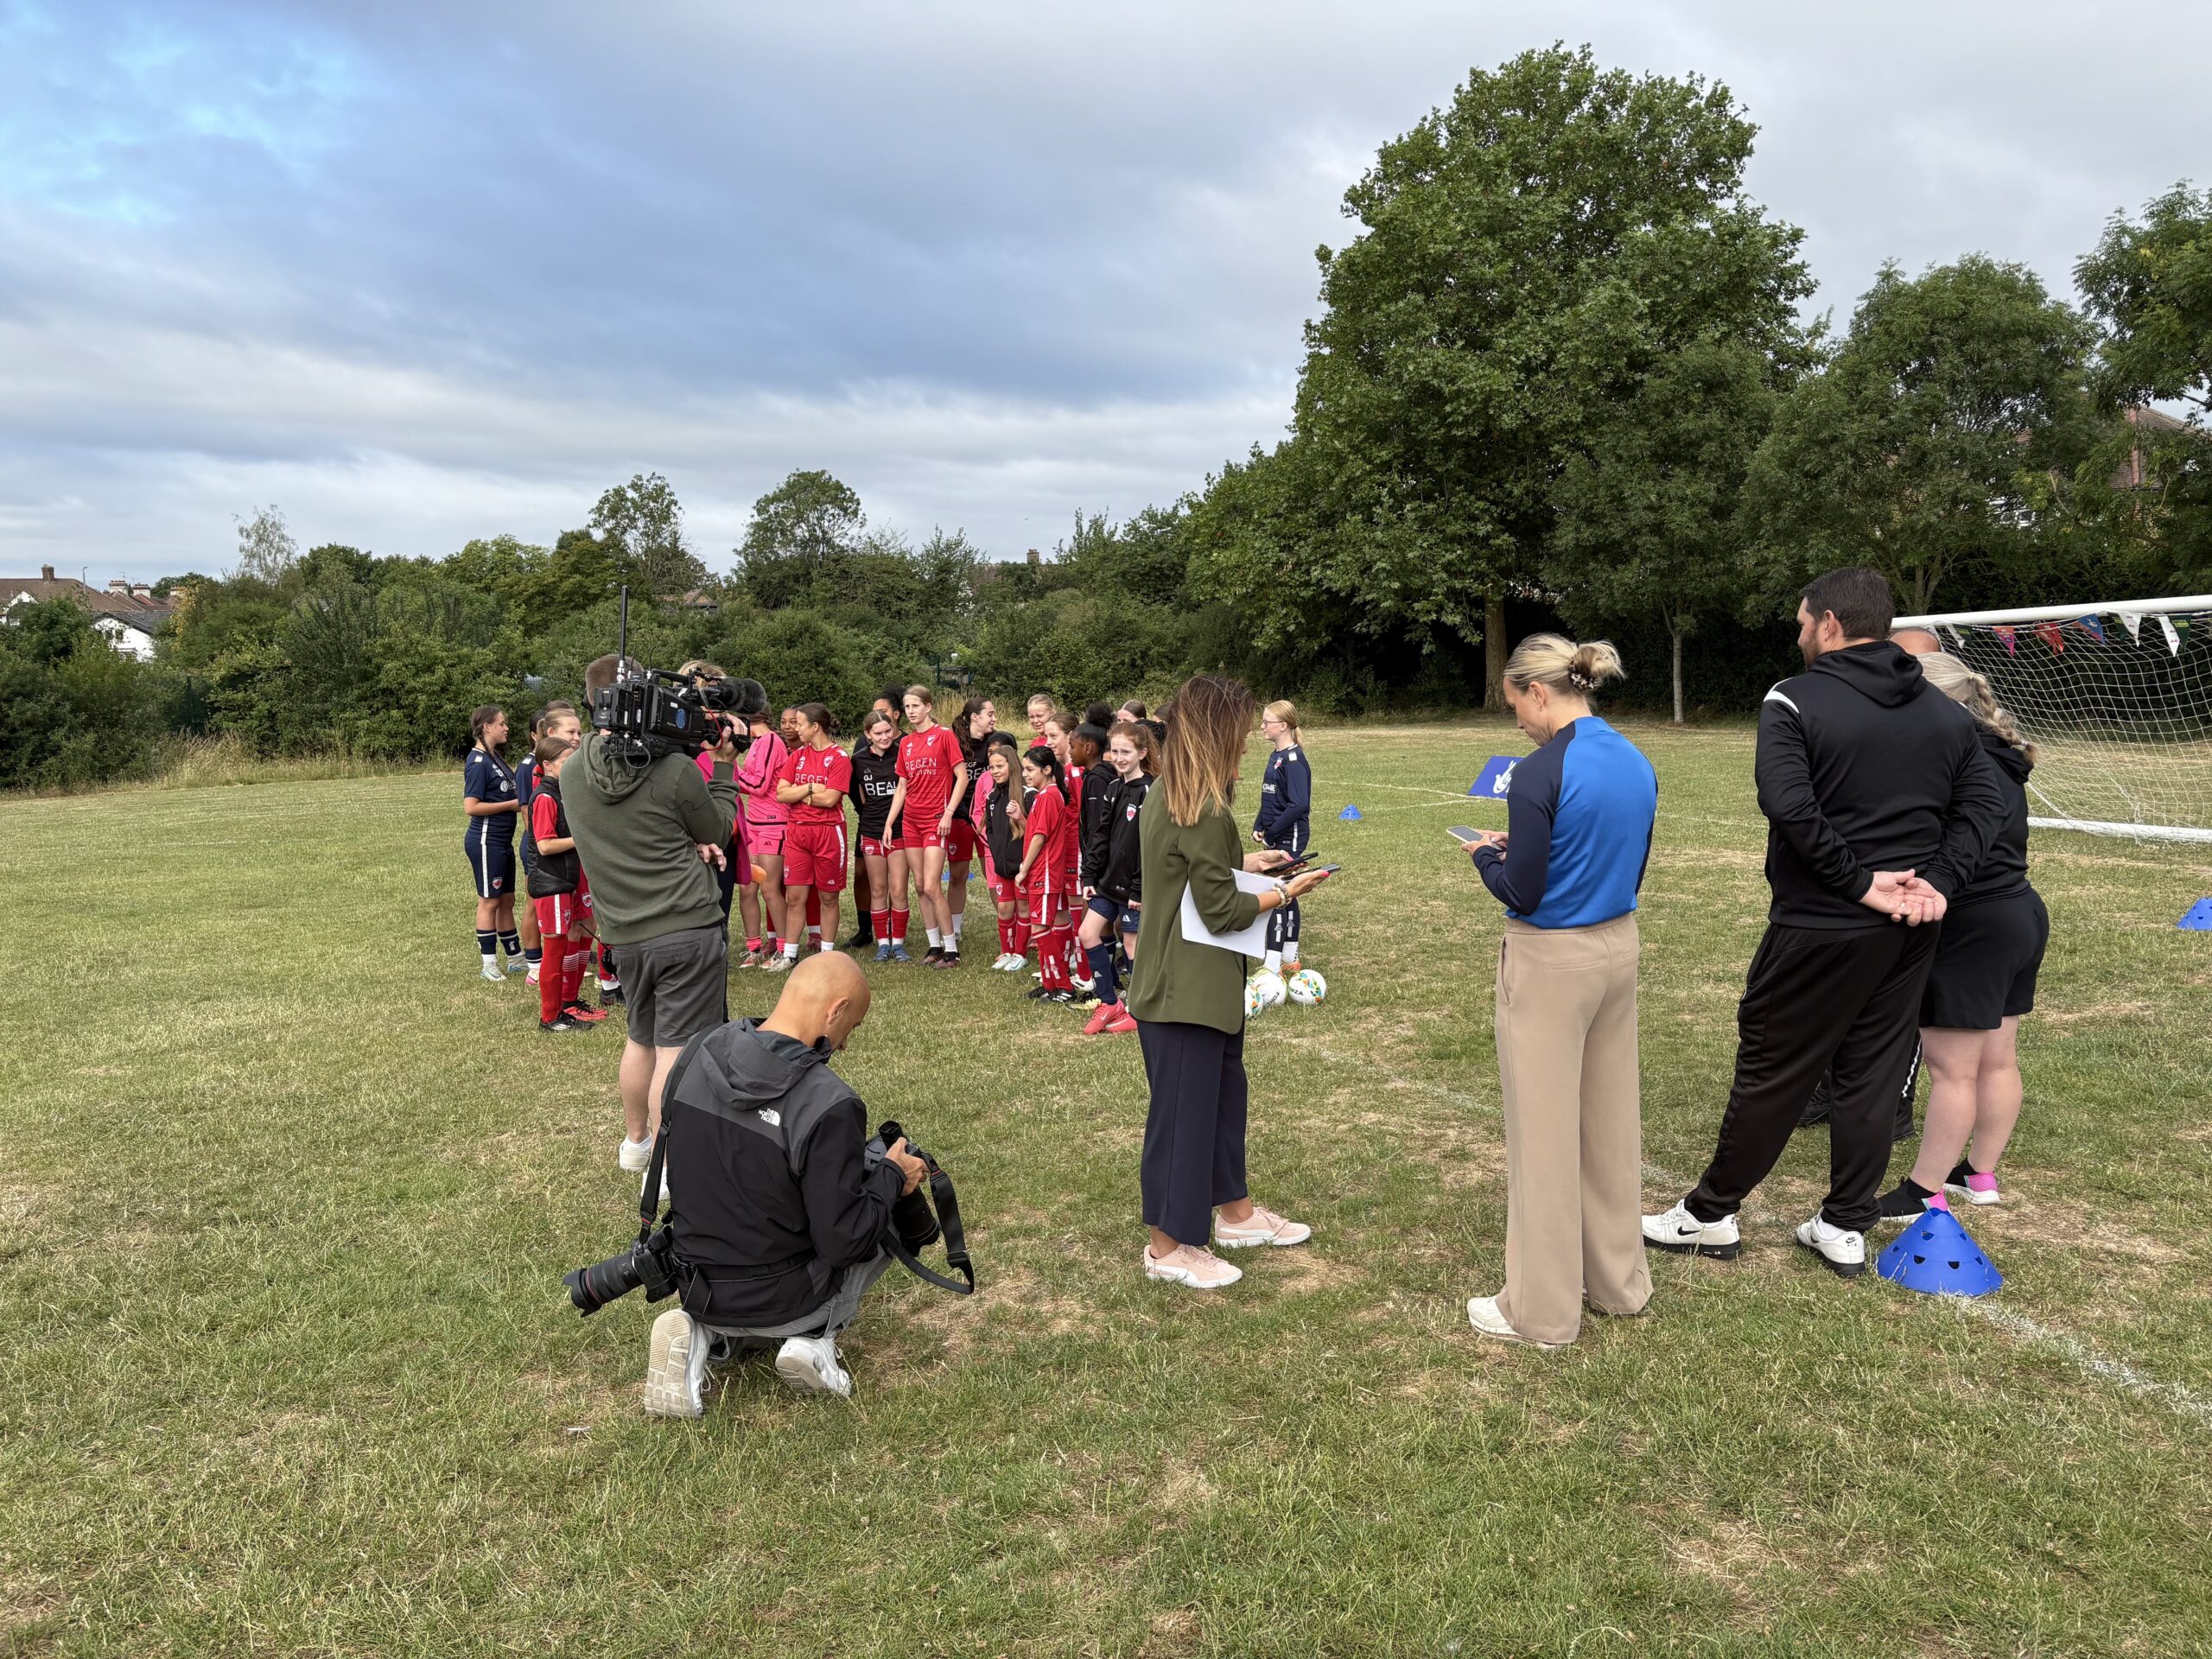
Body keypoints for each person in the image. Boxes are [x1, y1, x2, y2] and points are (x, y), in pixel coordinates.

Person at [1643, 569, 2008, 1279]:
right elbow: (1987, 807)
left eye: (1803, 622)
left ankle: (1712, 1214)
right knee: (1871, 1073)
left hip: (1822, 924)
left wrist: (1888, 882)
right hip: (1904, 925)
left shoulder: (1795, 697)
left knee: (1774, 1069)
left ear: (1832, 623)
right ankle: (1842, 1221)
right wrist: (1929, 881)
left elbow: (1785, 802)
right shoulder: (1940, 709)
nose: (1799, 634)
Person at [1457, 636, 1656, 1348]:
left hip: (1551, 960)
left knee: (1542, 1138)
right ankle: (1618, 1285)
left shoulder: (1541, 769)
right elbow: (1625, 863)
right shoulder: (1634, 757)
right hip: (1617, 948)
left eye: (1514, 705)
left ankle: (1538, 1311)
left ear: (1537, 692)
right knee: (1609, 1124)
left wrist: (1485, 855)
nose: (1515, 722)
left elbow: (1525, 891)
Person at [641, 953, 928, 1414]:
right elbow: (844, 1242)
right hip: (785, 1298)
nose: (846, 1044)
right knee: (885, 1199)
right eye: (850, 1027)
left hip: (697, 1283)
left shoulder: (697, 1052)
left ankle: (701, 1334)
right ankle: (813, 1337)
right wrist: (893, 1176)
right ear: (834, 1011)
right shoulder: (830, 1103)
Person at [1124, 676, 1334, 1289]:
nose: (1246, 748)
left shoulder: (1174, 795)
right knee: (1183, 1120)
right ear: (1215, 737)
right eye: (1239, 737)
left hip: (1199, 989)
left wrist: (1244, 864)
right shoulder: (1204, 808)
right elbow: (1221, 911)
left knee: (1218, 1108)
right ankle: (1167, 1248)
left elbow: (1190, 872)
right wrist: (1284, 892)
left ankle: (1236, 1214)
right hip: (1184, 991)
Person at [1876, 653, 2049, 1219]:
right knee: (1997, 1059)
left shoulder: (1958, 761)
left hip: (1975, 924)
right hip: (2019, 914)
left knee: (1953, 1068)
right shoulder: (2001, 754)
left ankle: (1923, 1191)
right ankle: (1979, 1174)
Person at [561, 654, 745, 1185]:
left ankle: (636, 1144)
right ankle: (665, 1171)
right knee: (678, 1052)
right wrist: (725, 769)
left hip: (625, 933)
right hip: (685, 927)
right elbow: (718, 827)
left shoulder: (573, 771)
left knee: (641, 1039)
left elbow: (641, 829)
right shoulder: (672, 770)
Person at [1799, 623, 1947, 1133]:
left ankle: (1892, 1107)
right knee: (1835, 1003)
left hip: (1919, 901)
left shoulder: (1950, 732)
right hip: (1856, 894)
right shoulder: (1860, 720)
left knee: (1898, 1015)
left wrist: (1937, 880)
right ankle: (1823, 1091)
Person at [881, 685, 969, 968]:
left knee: (932, 886)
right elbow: (903, 785)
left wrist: (948, 813)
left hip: (935, 820)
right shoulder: (905, 743)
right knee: (919, 885)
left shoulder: (944, 736)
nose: (911, 712)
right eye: (907, 707)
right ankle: (934, 946)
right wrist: (890, 821)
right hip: (911, 821)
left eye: (916, 706)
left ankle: (951, 950)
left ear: (928, 707)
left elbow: (962, 777)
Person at [525, 731, 607, 1033]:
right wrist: (580, 839)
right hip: (552, 882)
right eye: (566, 762)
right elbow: (545, 845)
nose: (572, 768)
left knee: (577, 935)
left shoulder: (562, 791)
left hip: (567, 877)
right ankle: (550, 1016)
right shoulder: (546, 796)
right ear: (547, 765)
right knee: (555, 947)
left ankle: (569, 1002)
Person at [1077, 719, 1154, 1033]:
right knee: (1087, 934)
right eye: (1115, 751)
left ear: (1143, 753)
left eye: (1126, 752)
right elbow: (1100, 836)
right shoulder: (1112, 787)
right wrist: (1089, 876)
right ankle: (1110, 1002)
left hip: (1135, 890)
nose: (1119, 757)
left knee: (1133, 948)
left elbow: (1147, 846)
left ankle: (1138, 1011)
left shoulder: (1150, 790)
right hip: (1108, 884)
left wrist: (1138, 889)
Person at [774, 703, 853, 966]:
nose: (794, 728)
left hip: (828, 833)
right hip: (797, 834)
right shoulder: (797, 755)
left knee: (828, 897)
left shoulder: (839, 757)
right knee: (795, 897)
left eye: (799, 723)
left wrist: (800, 794)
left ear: (815, 727)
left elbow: (831, 799)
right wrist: (809, 787)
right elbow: (782, 794)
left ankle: (827, 956)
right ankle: (789, 955)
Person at [1251, 699, 1313, 977]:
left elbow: (1299, 805)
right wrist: (1259, 824)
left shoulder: (1293, 760)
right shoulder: (1275, 755)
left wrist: (1273, 832)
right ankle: (1290, 955)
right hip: (1276, 831)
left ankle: (1273, 962)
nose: (1262, 726)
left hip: (1291, 835)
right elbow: (1270, 796)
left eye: (1267, 722)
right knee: (1286, 890)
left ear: (1283, 726)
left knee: (1277, 892)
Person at [463, 704, 525, 980]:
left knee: (507, 900)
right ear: (487, 727)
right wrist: (512, 804)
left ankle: (515, 958)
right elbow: (471, 807)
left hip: (503, 841)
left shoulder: (496, 757)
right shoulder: (477, 762)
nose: (506, 727)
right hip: (486, 841)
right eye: (501, 723)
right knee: (489, 901)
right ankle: (488, 964)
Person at [1013, 746, 1077, 1001]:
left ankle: (1064, 986)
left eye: (1030, 769)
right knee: (1040, 928)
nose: (1025, 774)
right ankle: (1050, 983)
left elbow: (1040, 837)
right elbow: (1037, 830)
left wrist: (1024, 869)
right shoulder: (1044, 795)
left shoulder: (1050, 796)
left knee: (1040, 929)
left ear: (1047, 770)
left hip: (1045, 871)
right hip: (1042, 870)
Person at [735, 701, 791, 969]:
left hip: (773, 823)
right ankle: (754, 947)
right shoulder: (756, 742)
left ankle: (784, 949)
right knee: (747, 888)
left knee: (770, 889)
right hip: (753, 823)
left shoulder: (769, 741)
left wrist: (727, 772)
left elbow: (758, 784)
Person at [849, 711, 905, 961]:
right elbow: (854, 792)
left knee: (898, 888)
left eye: (888, 731)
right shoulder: (859, 760)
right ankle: (883, 943)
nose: (884, 737)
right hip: (871, 830)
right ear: (867, 735)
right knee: (878, 888)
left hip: (901, 831)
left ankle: (899, 944)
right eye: (878, 733)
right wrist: (868, 814)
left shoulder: (903, 754)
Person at [945, 697, 992, 955]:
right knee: (958, 876)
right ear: (975, 717)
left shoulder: (996, 741)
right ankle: (954, 928)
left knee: (995, 875)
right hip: (960, 818)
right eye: (990, 713)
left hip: (989, 819)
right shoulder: (953, 742)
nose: (994, 718)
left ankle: (1014, 926)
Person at [980, 734, 1029, 969]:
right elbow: (990, 830)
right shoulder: (991, 797)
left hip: (1021, 866)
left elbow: (1036, 831)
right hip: (1001, 865)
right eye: (992, 768)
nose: (996, 771)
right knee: (1004, 908)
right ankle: (1006, 951)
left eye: (1000, 766)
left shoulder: (1026, 794)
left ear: (1013, 765)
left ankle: (1020, 953)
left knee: (1023, 908)